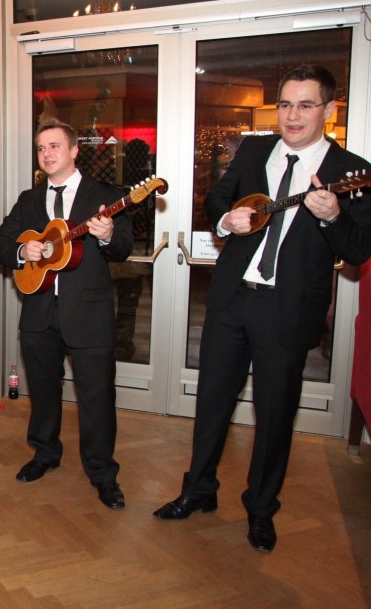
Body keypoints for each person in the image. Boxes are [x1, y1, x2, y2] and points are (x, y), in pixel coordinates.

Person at [154, 64, 371, 552]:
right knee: (212, 401)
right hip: (231, 300)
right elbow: (217, 200)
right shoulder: (254, 150)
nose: (293, 115)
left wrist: (333, 217)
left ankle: (260, 509)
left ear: (328, 110)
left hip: (288, 310)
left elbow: (359, 249)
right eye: (286, 104)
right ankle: (198, 490)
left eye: (305, 105)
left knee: (274, 415)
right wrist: (225, 221)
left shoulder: (350, 171)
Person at [0, 118, 133, 509]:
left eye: (54, 146)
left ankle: (102, 473)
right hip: (38, 311)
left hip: (88, 313)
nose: (47, 154)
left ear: (73, 150)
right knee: (42, 390)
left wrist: (107, 235)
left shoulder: (105, 195)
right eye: (41, 148)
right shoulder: (29, 200)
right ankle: (45, 452)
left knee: (97, 396)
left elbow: (123, 247)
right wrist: (23, 251)